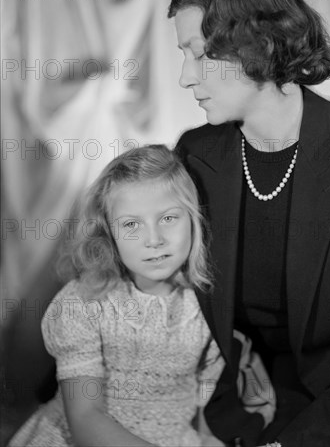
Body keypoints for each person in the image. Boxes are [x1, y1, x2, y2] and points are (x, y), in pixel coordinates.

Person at [169, 0, 330, 447]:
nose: (185, 77)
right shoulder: (197, 153)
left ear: (256, 45)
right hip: (243, 403)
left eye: (199, 54)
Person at [8, 145, 226, 447]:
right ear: (108, 233)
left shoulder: (209, 304)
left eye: (168, 218)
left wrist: (207, 437)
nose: (154, 239)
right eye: (132, 224)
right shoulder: (84, 303)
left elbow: (204, 390)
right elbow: (86, 420)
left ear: (193, 218)